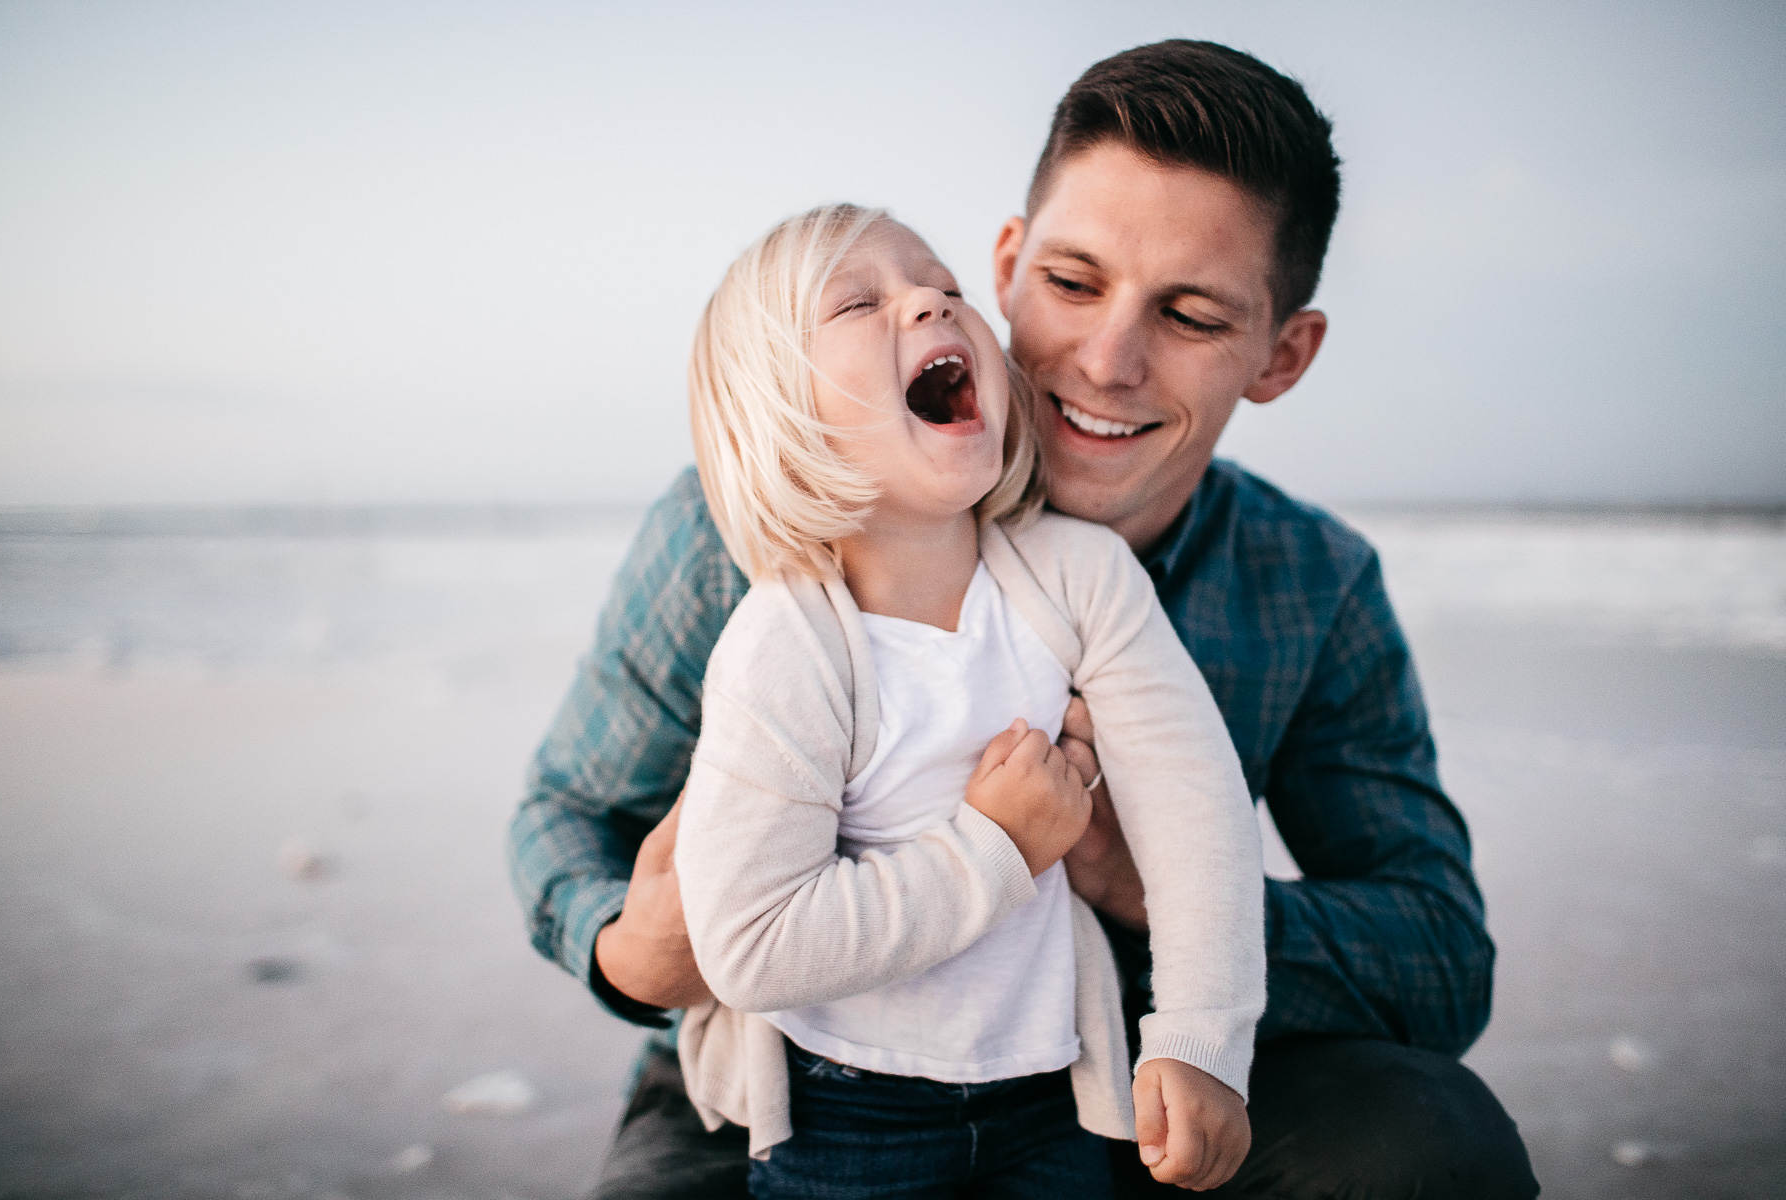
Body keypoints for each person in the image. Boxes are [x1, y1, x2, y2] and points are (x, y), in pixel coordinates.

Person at [508, 38, 1540, 1200]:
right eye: (1074, 283)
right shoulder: (750, 528)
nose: (1107, 362)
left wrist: (1137, 882)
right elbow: (568, 813)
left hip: (1126, 1079)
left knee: (1428, 1142)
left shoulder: (1308, 580)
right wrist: (630, 948)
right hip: (787, 1081)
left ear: (1280, 356)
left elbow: (1443, 963)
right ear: (1007, 264)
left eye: (1192, 315)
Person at [669, 203, 1264, 1197]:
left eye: (946, 291)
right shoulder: (787, 646)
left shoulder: (1081, 577)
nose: (930, 307)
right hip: (844, 1114)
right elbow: (752, 946)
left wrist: (1203, 1037)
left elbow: (1194, 804)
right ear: (781, 414)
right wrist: (998, 848)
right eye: (861, 302)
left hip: (1055, 1097)